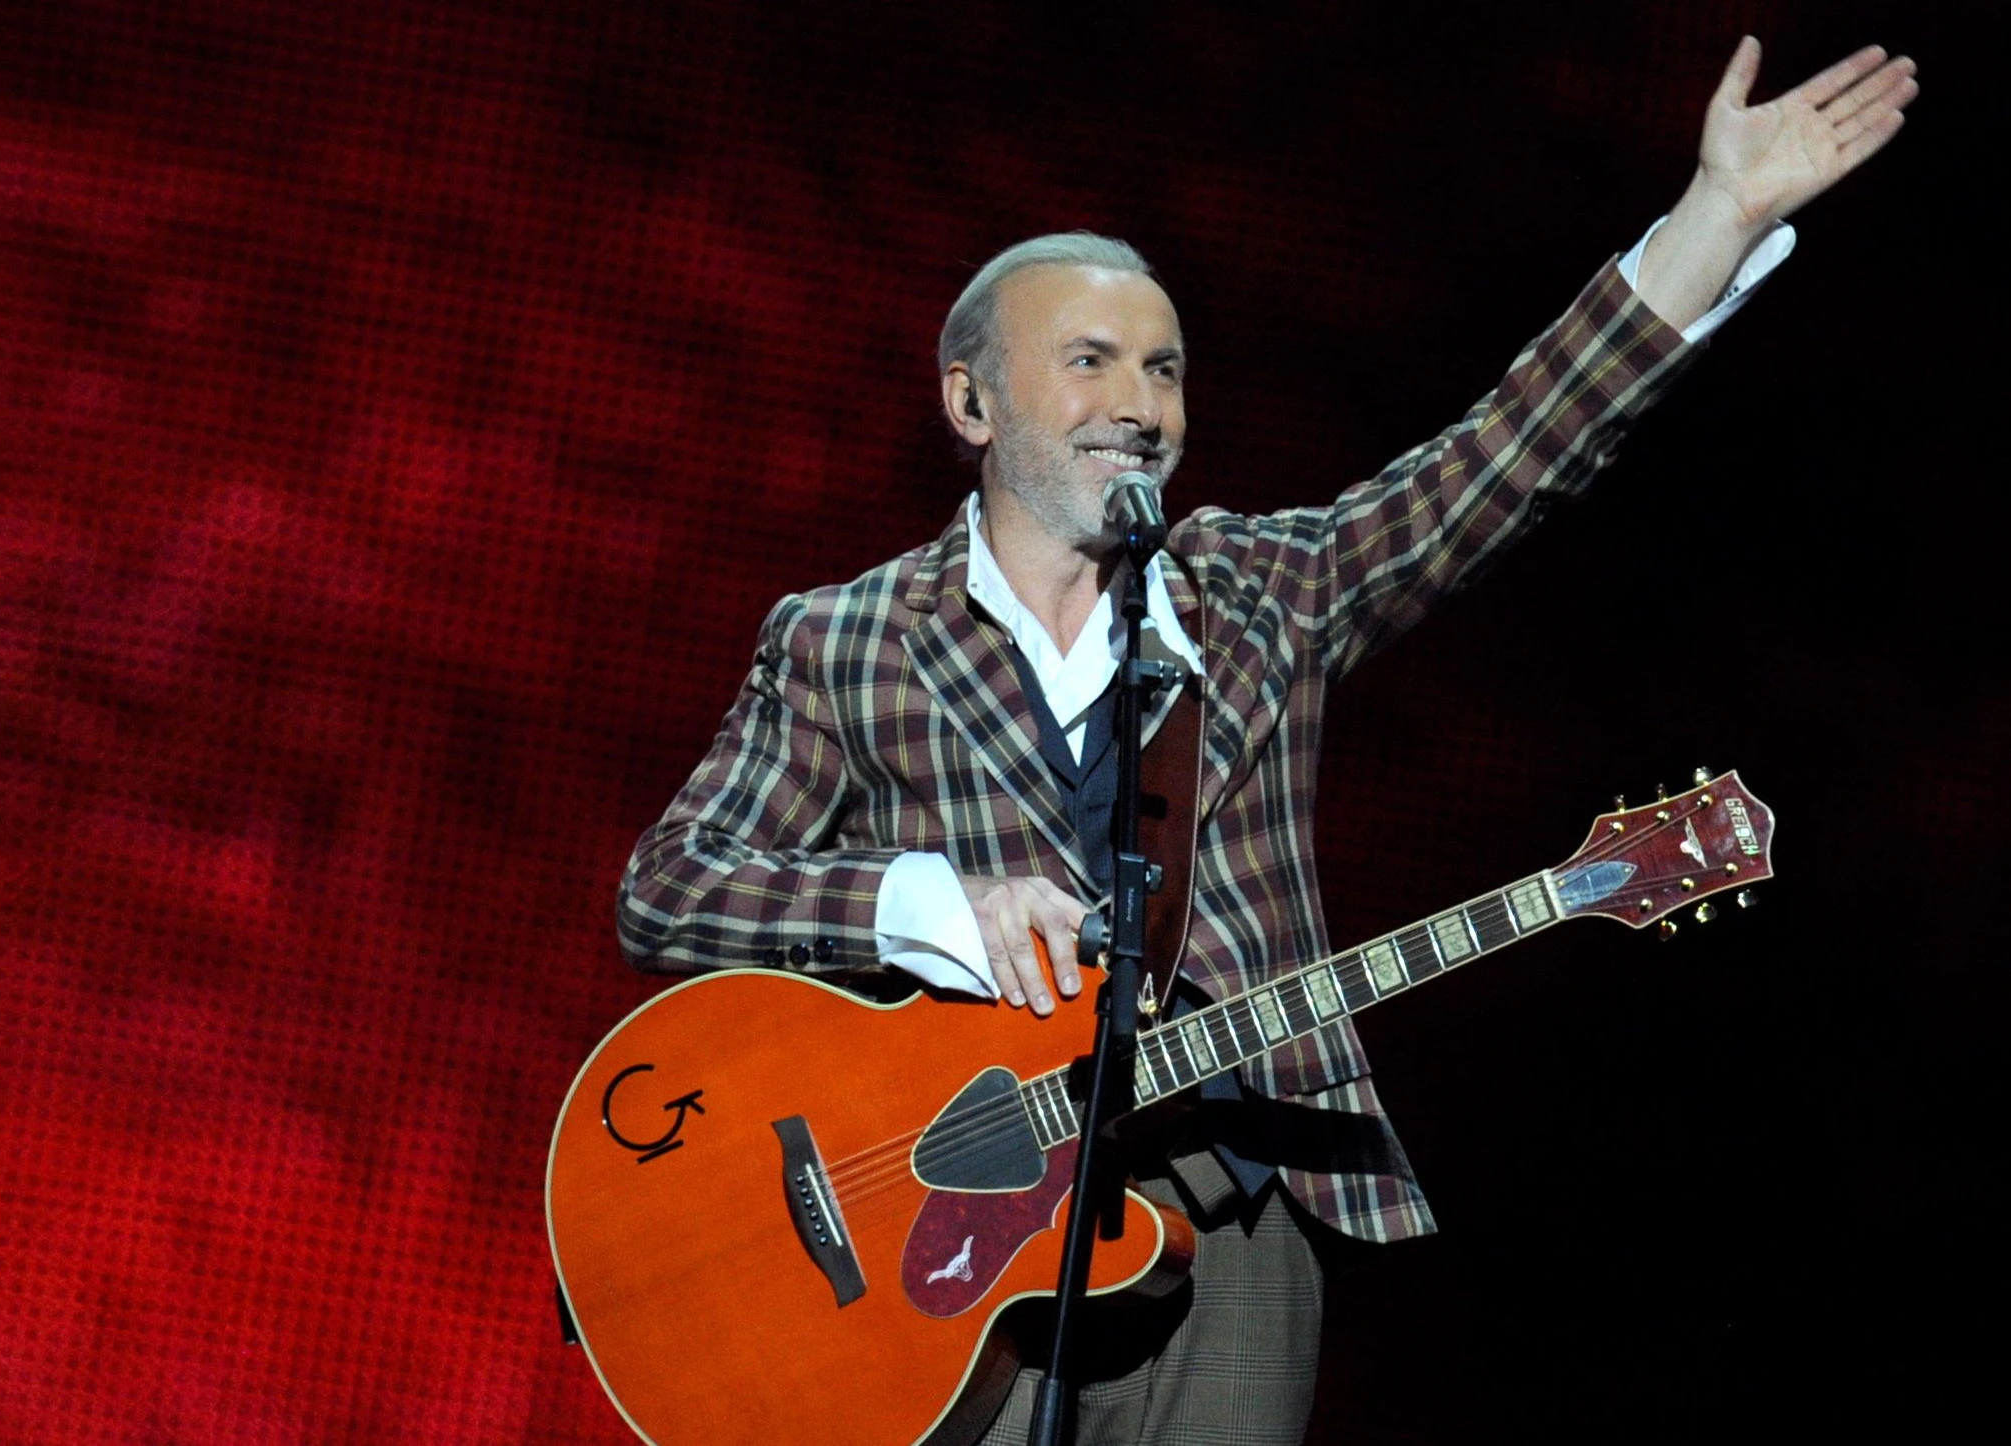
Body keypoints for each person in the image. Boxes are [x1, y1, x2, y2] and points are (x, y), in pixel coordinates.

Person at [616, 38, 1914, 1446]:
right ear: (969, 401)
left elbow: (1499, 454)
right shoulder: (845, 641)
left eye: (1164, 368)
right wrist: (930, 902)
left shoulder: (1254, 594)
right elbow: (670, 888)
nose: (1139, 399)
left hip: (1231, 1235)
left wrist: (1710, 220)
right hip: (938, 1263)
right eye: (1090, 358)